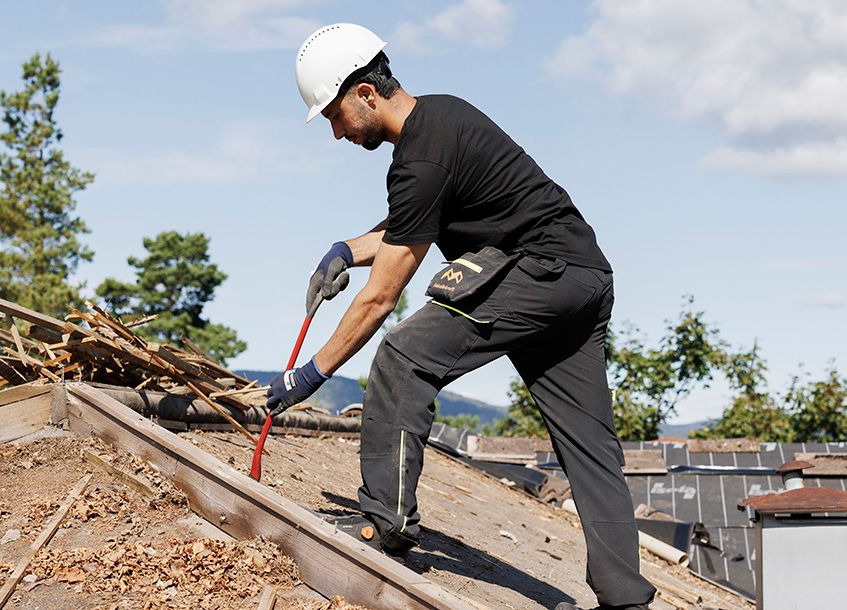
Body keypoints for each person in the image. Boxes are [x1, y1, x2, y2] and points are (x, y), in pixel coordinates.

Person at [266, 23, 657, 610]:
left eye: (335, 115)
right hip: (583, 275)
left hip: (538, 271)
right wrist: (347, 247)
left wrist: (310, 375)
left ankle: (384, 523)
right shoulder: (442, 118)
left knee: (403, 355)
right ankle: (626, 597)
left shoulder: (420, 158)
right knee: (589, 443)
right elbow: (413, 220)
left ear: (366, 94)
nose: (337, 133)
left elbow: (378, 299)